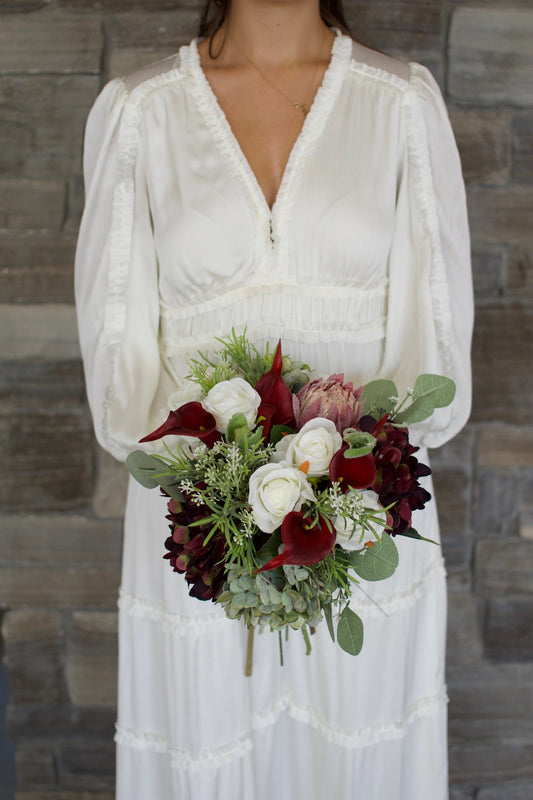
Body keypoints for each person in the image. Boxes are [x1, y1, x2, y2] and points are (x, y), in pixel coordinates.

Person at [74, 0, 473, 797]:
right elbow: (120, 363)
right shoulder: (140, 111)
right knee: (208, 744)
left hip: (361, 518)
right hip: (200, 525)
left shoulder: (398, 102)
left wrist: (351, 472)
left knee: (355, 748)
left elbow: (435, 339)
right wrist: (222, 485)